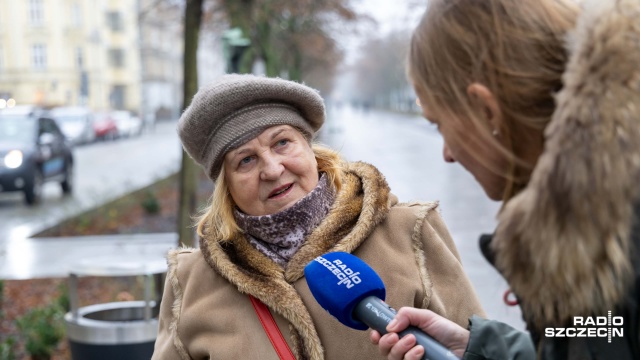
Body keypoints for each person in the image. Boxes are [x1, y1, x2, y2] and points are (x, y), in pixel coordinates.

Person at [371, 0, 640, 359]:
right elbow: (608, 336)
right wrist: (480, 349)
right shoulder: (595, 213)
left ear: (485, 109)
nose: (447, 154)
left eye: (440, 125)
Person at [151, 74, 485, 360]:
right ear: (226, 187)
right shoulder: (191, 281)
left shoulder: (410, 231)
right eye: (246, 161)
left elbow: (481, 346)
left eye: (282, 143)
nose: (272, 168)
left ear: (311, 148)